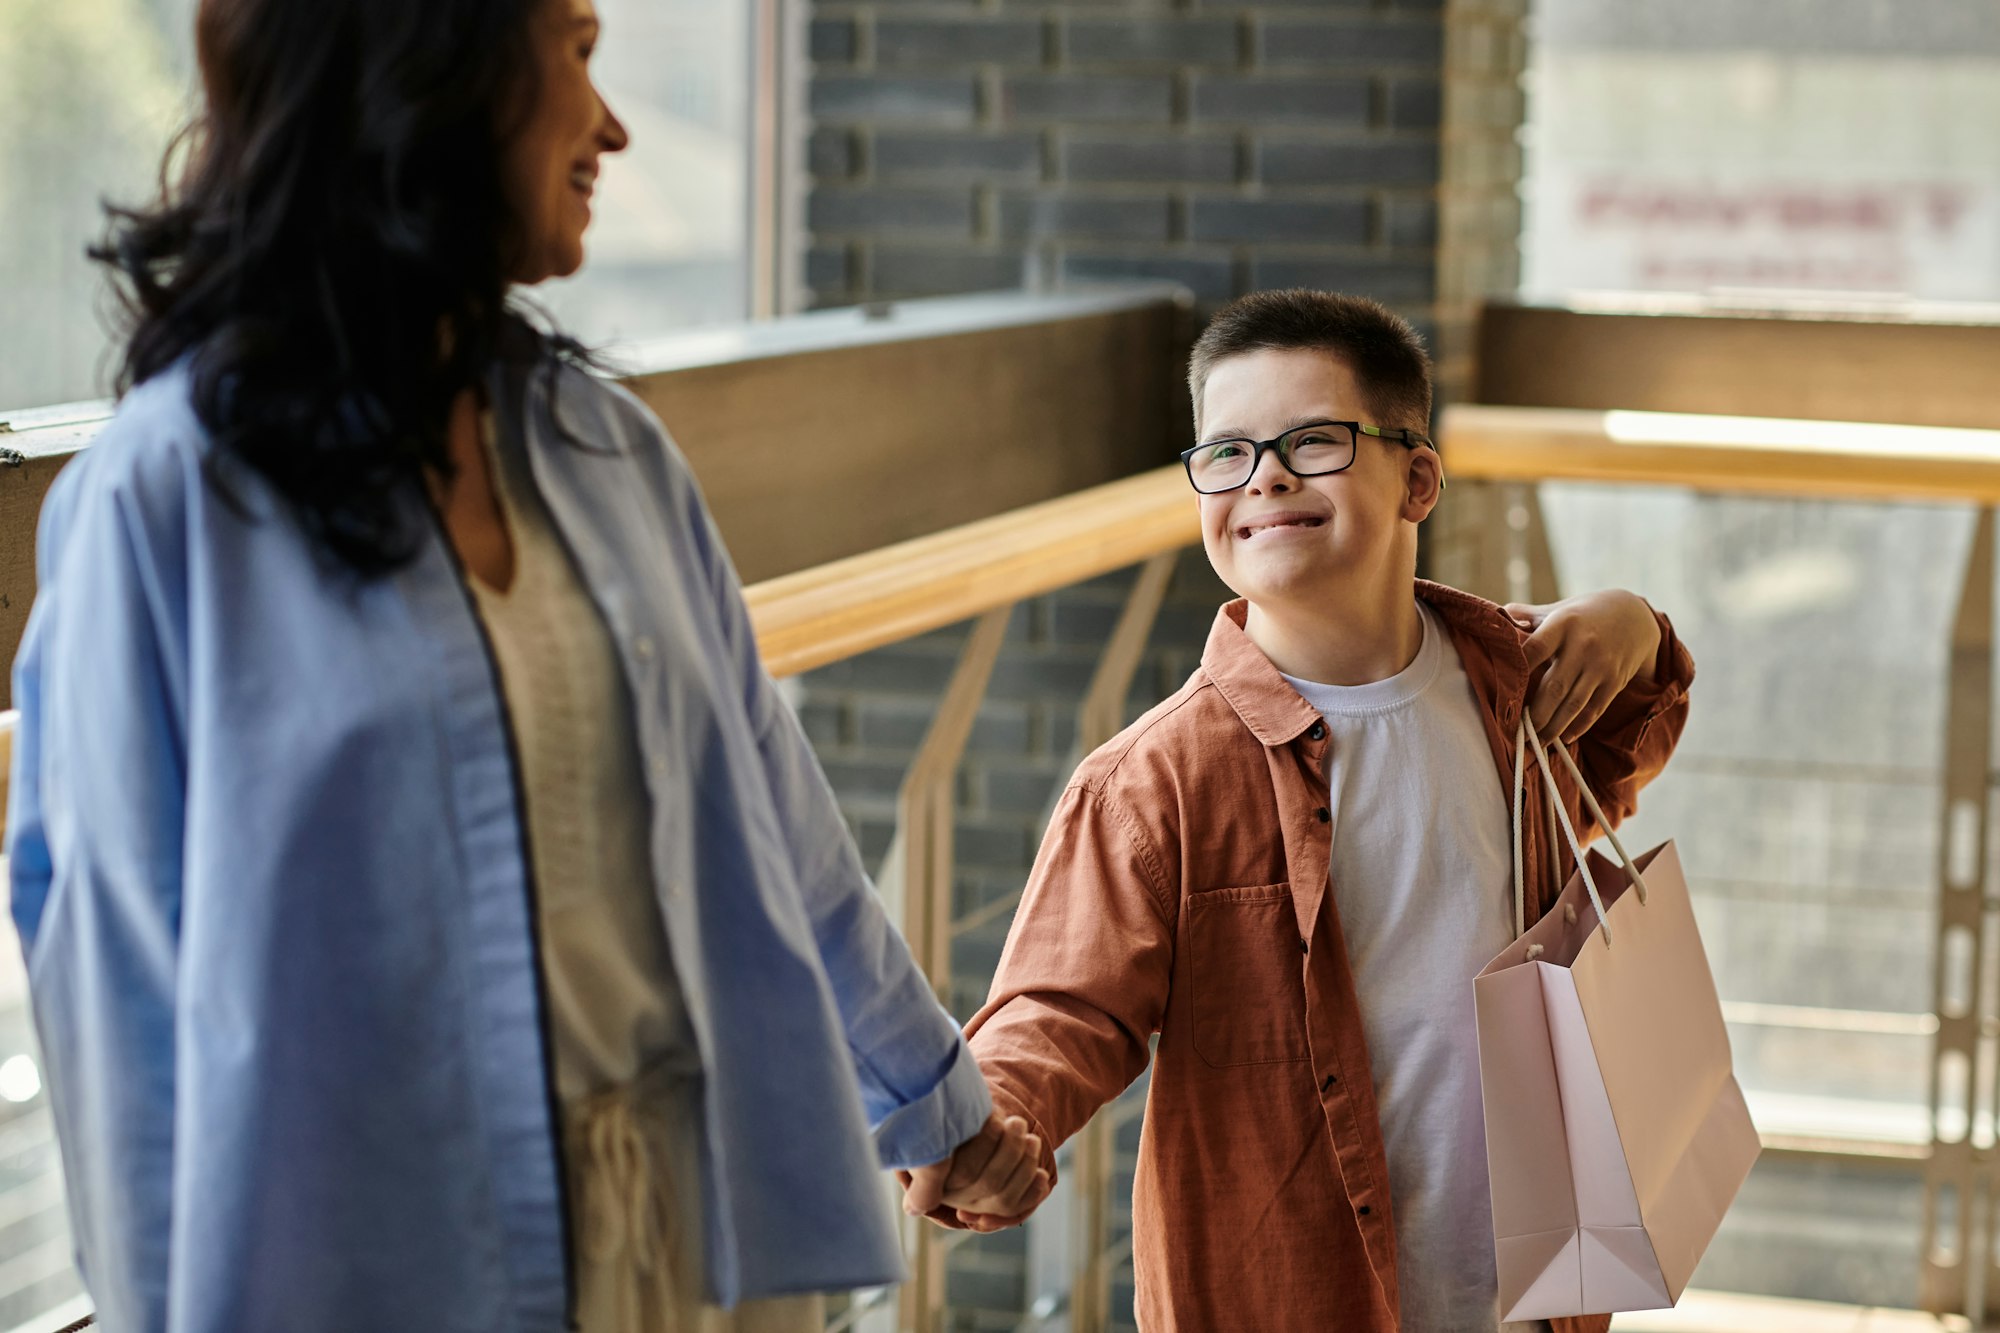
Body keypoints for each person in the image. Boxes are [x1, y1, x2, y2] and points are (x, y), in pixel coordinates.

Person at [3, 0, 1047, 1329]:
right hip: (374, 1281)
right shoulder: (161, 507)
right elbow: (118, 1021)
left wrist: (934, 1103)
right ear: (437, 71)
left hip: (685, 1250)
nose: (610, 124)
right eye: (577, 51)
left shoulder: (607, 454)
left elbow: (777, 823)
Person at [911, 289, 1695, 1333]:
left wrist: (1634, 624)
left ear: (1416, 478)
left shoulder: (1520, 683)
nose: (1263, 475)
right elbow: (1062, 1005)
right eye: (1224, 453)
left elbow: (1632, 729)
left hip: (1531, 1290)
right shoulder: (1152, 780)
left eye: (1311, 441)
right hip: (1288, 1293)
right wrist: (998, 1116)